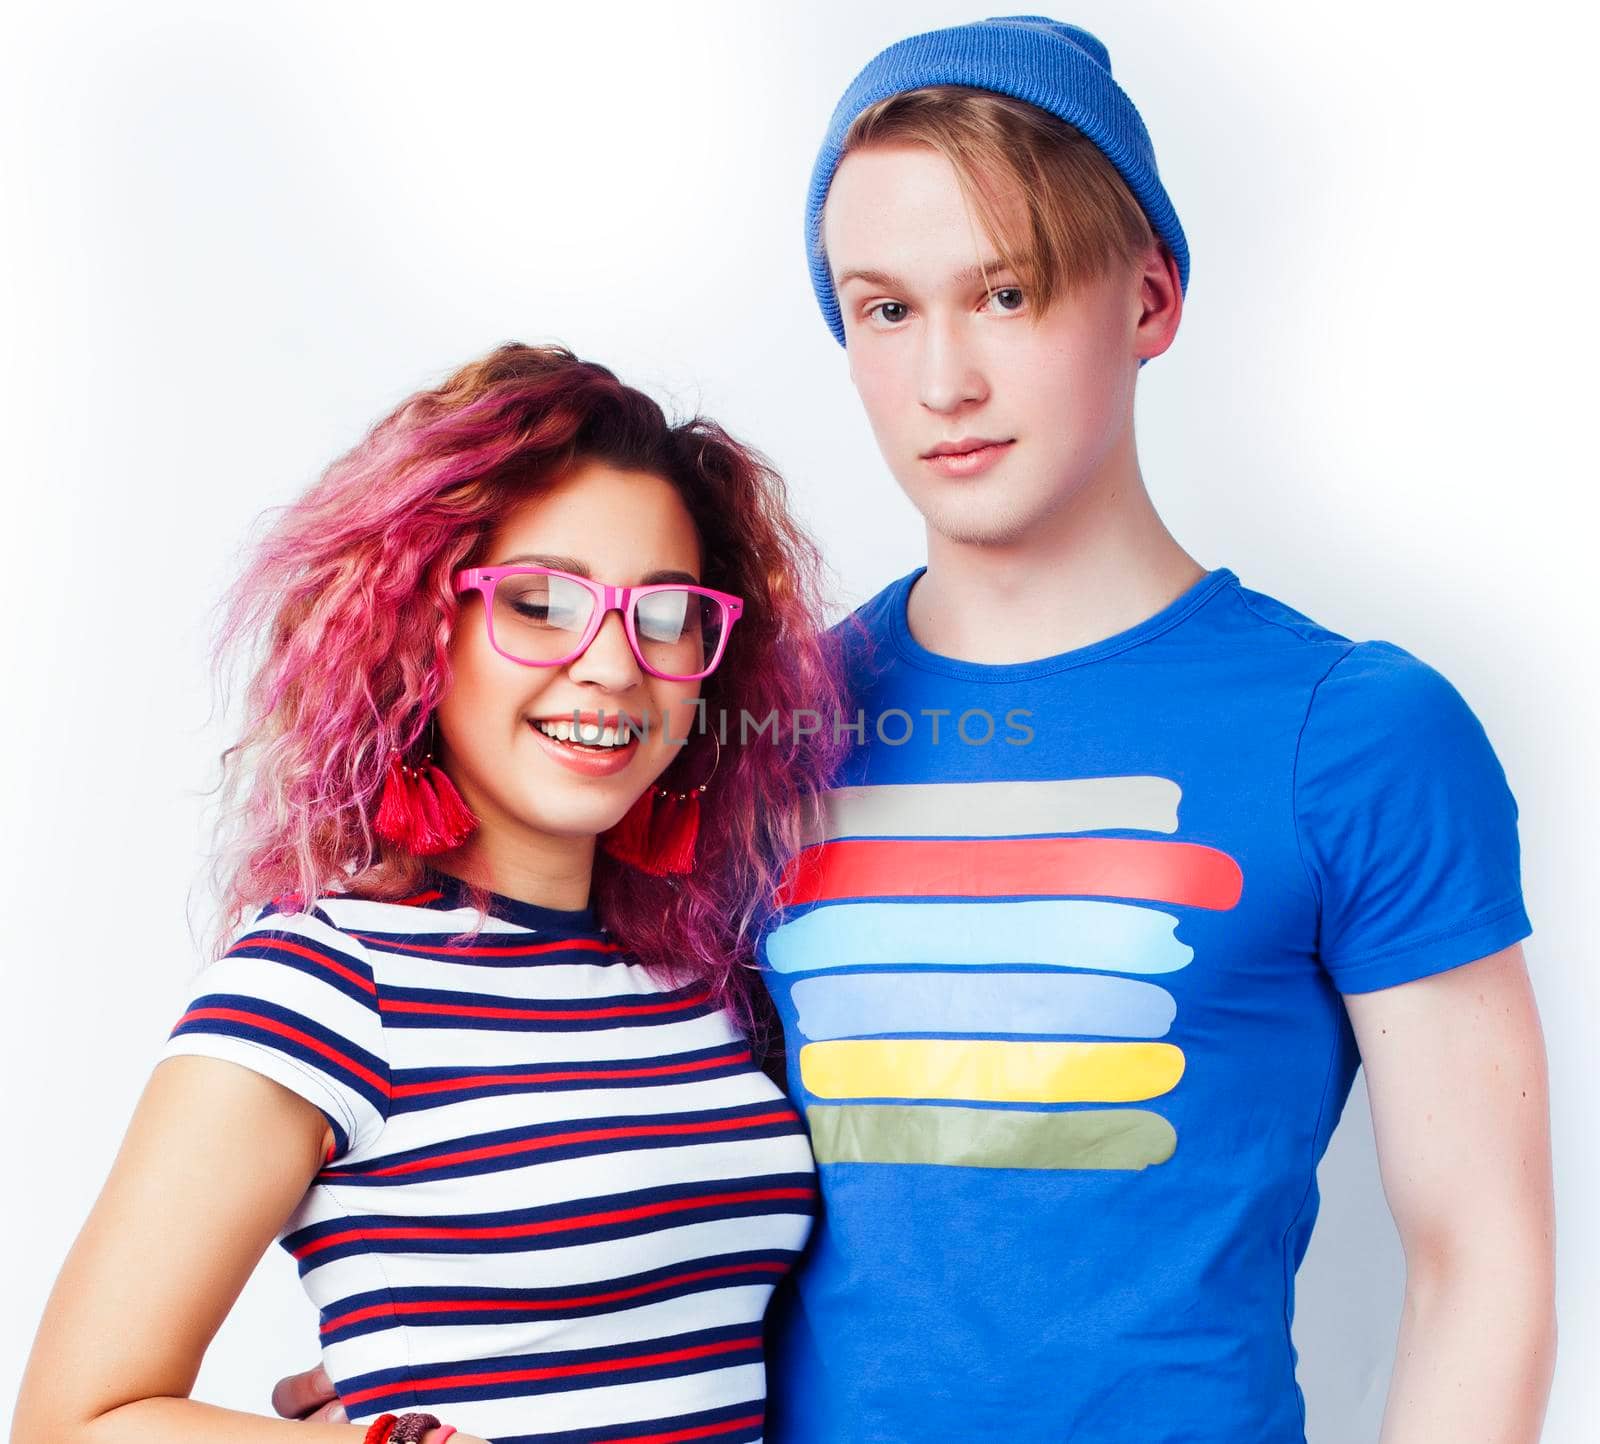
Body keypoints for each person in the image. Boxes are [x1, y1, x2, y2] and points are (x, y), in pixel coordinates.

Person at [275, 15, 1557, 1443]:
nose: (944, 380)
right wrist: (484, 1332)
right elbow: (577, 1075)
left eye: (1003, 294)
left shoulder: (1360, 735)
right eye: (885, 309)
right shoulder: (742, 719)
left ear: (1149, 296)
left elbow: (1480, 1264)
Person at [12, 343, 844, 1444]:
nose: (609, 665)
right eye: (539, 603)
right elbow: (75, 1420)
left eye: (662, 615)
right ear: (420, 632)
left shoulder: (704, 978)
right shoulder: (322, 980)